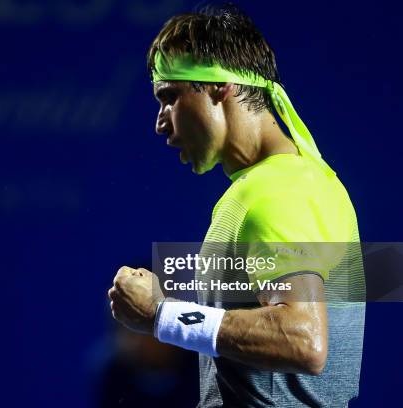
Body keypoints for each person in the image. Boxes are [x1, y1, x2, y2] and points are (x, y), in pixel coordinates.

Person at [107, 5, 365, 407]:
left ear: (218, 86)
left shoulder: (279, 191)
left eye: (170, 97)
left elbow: (303, 340)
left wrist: (161, 315)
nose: (160, 122)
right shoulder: (286, 183)